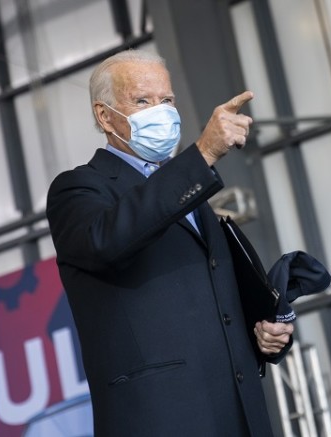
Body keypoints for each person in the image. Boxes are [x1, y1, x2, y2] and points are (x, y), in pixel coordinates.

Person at [45, 49, 295, 436]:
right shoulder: (78, 189)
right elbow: (108, 241)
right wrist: (204, 153)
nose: (159, 111)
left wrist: (261, 334)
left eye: (167, 100)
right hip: (161, 419)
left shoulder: (194, 196)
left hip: (238, 414)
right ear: (104, 115)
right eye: (142, 100)